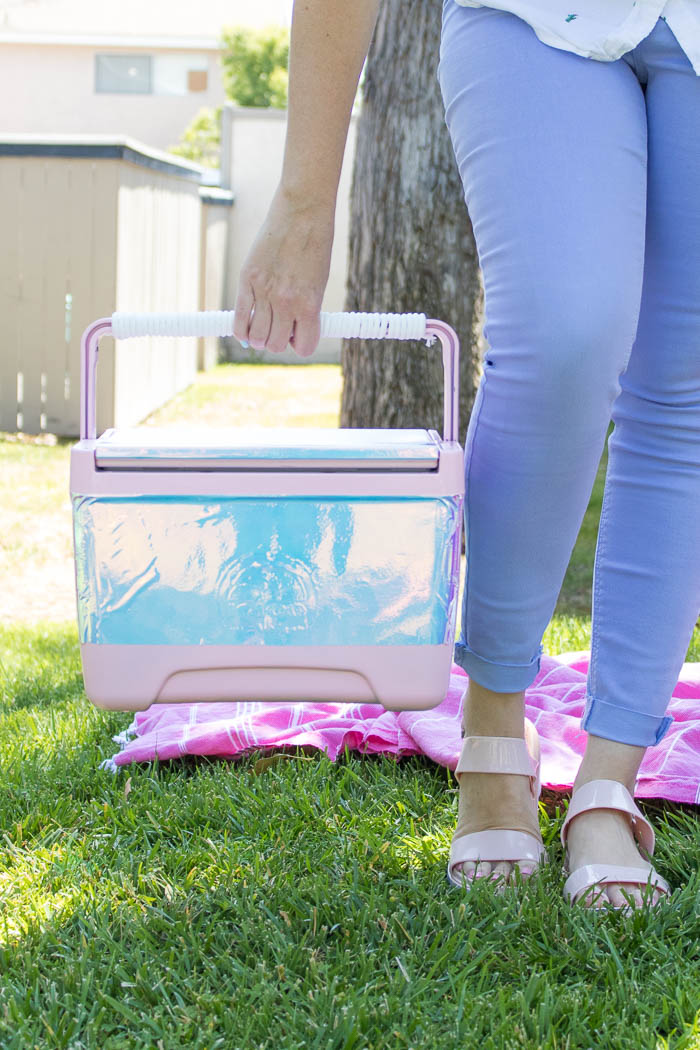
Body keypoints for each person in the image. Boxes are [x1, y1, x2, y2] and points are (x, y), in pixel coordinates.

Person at [233, 0, 700, 910]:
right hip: (530, 16)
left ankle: (610, 780)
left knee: (685, 391)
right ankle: (495, 727)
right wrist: (304, 194)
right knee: (562, 339)